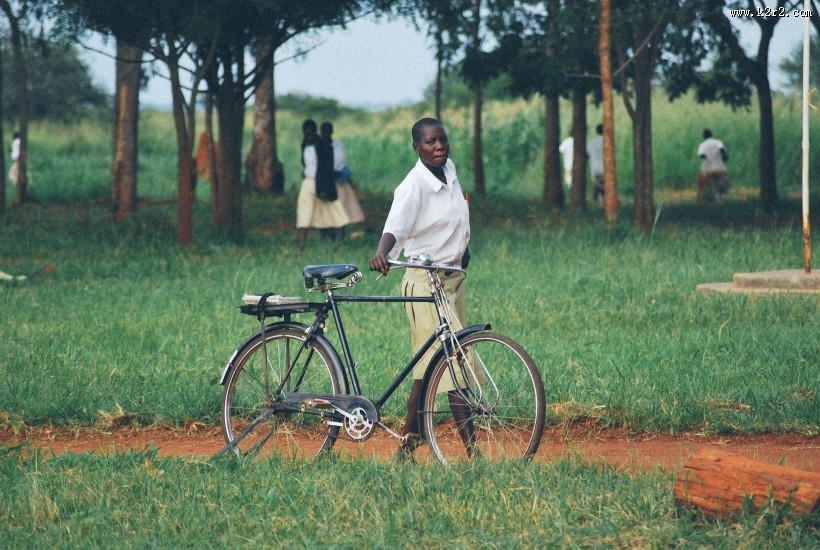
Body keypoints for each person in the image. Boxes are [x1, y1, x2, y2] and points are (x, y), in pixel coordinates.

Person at [369, 117, 473, 461]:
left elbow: (453, 215)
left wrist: (461, 248)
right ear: (417, 148)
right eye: (430, 142)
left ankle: (406, 445)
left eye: (443, 139)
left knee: (427, 370)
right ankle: (474, 453)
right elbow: (394, 228)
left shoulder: (450, 170)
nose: (439, 146)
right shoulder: (413, 185)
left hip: (451, 279)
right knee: (455, 361)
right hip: (423, 283)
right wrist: (382, 254)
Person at [296, 119, 348, 250]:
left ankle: (338, 241)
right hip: (309, 180)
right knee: (304, 211)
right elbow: (305, 163)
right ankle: (301, 245)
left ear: (315, 132)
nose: (309, 136)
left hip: (322, 181)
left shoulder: (323, 144)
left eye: (311, 133)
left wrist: (324, 186)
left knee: (334, 210)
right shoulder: (305, 144)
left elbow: (327, 166)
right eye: (306, 134)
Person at [321, 121, 365, 236]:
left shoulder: (338, 146)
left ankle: (340, 236)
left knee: (341, 207)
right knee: (327, 209)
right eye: (325, 130)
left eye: (329, 130)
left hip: (340, 180)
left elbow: (342, 162)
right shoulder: (319, 146)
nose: (327, 133)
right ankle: (328, 236)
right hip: (326, 182)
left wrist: (346, 177)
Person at [696, 129, 729, 203]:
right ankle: (722, 196)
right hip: (720, 167)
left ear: (704, 136)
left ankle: (717, 198)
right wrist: (723, 156)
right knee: (722, 181)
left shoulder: (702, 145)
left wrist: (707, 157)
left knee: (713, 184)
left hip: (708, 169)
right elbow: (722, 150)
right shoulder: (718, 142)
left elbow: (701, 154)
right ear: (711, 135)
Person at [586, 124, 604, 207]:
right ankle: (601, 202)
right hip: (604, 168)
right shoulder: (607, 142)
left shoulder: (591, 142)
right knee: (602, 184)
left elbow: (587, 155)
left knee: (599, 183)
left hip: (594, 167)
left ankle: (599, 201)